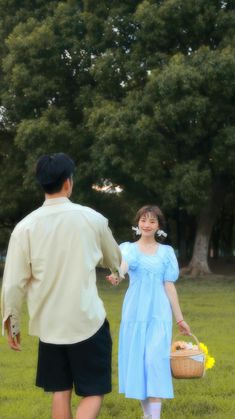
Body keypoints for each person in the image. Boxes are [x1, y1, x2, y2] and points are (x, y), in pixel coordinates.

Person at [1, 152, 122, 419]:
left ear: (42, 183)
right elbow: (114, 259)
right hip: (87, 321)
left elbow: (12, 284)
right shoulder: (92, 219)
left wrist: (12, 323)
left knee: (60, 389)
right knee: (92, 391)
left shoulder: (24, 227)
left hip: (49, 326)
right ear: (68, 182)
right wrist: (117, 273)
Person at [107, 205, 190, 419]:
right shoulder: (128, 248)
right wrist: (117, 275)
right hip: (135, 314)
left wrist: (179, 318)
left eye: (152, 221)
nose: (147, 224)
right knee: (140, 363)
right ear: (138, 223)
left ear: (159, 226)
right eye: (144, 220)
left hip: (159, 315)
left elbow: (169, 285)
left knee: (155, 361)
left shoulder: (167, 252)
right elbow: (123, 266)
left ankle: (155, 417)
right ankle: (149, 416)